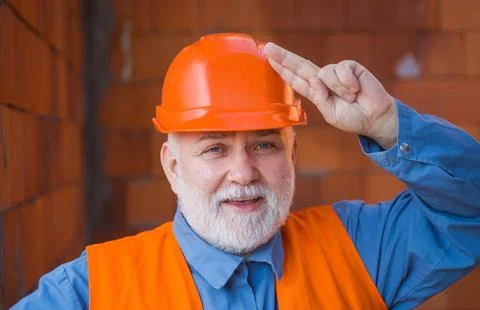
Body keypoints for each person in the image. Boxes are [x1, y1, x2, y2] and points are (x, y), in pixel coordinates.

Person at [13, 33, 479, 309]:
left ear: (292, 157)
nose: (243, 172)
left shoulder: (359, 249)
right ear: (172, 167)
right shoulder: (91, 291)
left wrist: (388, 125)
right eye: (215, 148)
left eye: (264, 144)